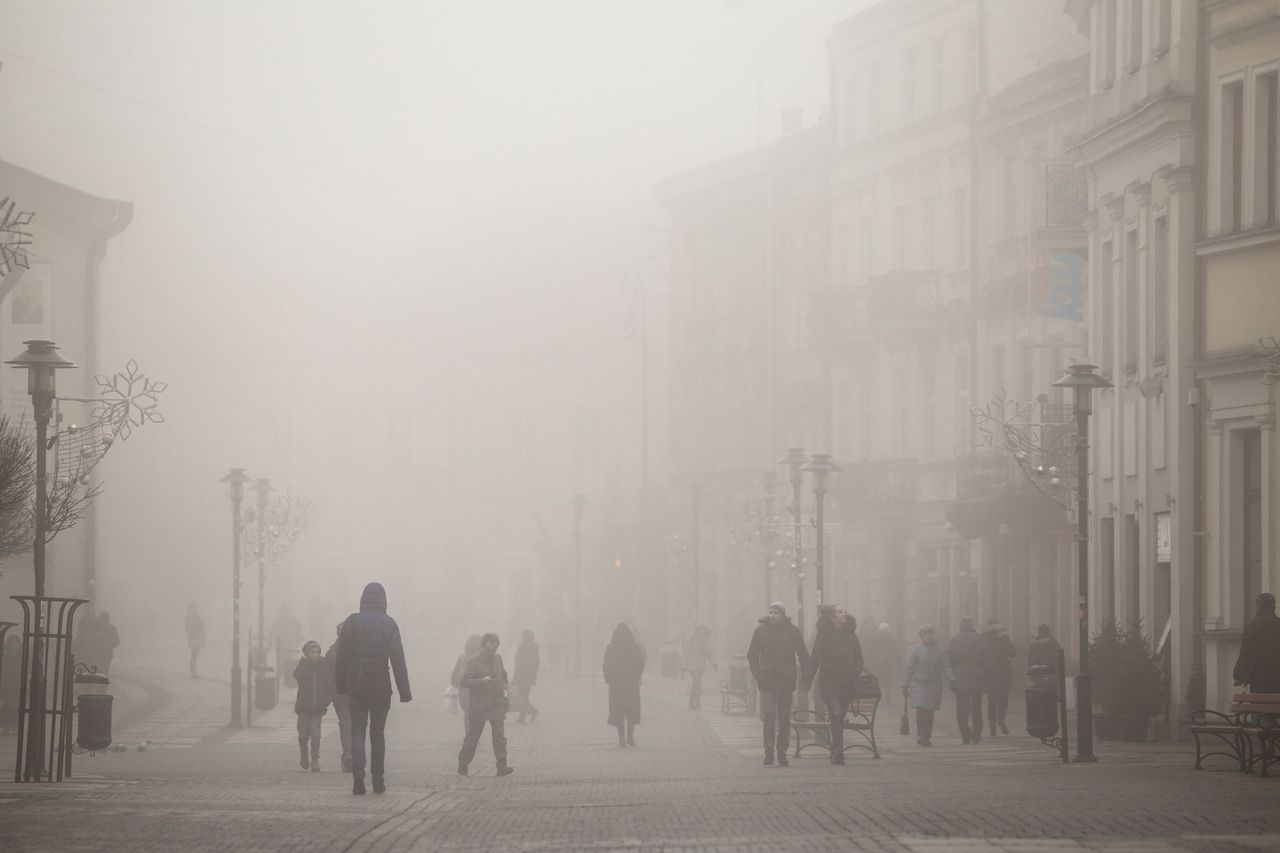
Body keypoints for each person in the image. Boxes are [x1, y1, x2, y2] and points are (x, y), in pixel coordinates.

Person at [335, 582, 412, 796]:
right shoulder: (389, 624)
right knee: (377, 735)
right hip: (381, 685)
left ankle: (358, 777)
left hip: (357, 686)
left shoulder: (352, 622)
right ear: (383, 601)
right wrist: (404, 691)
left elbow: (341, 657)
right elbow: (398, 659)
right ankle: (378, 781)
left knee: (357, 731)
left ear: (363, 599)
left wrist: (341, 685)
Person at [747, 602, 810, 767]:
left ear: (783, 615)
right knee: (768, 716)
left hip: (785, 680)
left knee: (784, 718)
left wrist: (806, 676)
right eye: (771, 612)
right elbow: (752, 654)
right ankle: (768, 752)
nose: (773, 615)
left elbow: (803, 654)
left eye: (776, 612)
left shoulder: (793, 632)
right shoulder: (760, 631)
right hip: (767, 679)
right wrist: (758, 673)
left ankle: (782, 753)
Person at [802, 604, 862, 765]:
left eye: (844, 611)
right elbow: (815, 658)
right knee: (835, 713)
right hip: (829, 680)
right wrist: (807, 680)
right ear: (832, 617)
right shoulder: (823, 635)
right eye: (840, 612)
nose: (844, 613)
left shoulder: (851, 635)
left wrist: (854, 672)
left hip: (846, 681)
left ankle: (836, 748)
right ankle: (838, 750)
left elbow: (858, 658)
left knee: (840, 715)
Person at [457, 632, 514, 776]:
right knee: (473, 737)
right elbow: (464, 681)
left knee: (500, 737)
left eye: (495, 646)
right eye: (489, 647)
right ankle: (463, 763)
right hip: (479, 706)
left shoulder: (498, 659)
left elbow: (504, 675)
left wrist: (506, 688)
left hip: (496, 704)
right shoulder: (473, 661)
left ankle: (502, 766)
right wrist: (480, 681)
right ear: (483, 646)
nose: (492, 650)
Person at [945, 616, 990, 744]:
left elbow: (948, 659)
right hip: (977, 677)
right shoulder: (980, 639)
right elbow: (987, 658)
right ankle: (976, 735)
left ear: (960, 626)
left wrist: (951, 677)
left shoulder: (954, 640)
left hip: (960, 678)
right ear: (972, 626)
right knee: (977, 708)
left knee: (962, 709)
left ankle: (965, 733)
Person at [903, 625, 948, 747]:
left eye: (931, 634)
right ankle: (922, 736)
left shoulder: (940, 650)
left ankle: (927, 735)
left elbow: (946, 666)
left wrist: (952, 680)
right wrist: (905, 684)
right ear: (922, 636)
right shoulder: (916, 650)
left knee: (930, 711)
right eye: (926, 634)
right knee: (921, 710)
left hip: (934, 684)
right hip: (919, 684)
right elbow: (910, 667)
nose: (929, 636)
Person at [603, 623, 645, 747]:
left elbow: (606, 665)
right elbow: (640, 663)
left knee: (618, 710)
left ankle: (621, 738)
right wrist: (636, 675)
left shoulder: (611, 648)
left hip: (616, 683)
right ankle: (630, 736)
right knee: (631, 709)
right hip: (631, 682)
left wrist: (608, 678)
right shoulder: (633, 647)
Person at [293, 640, 333, 772]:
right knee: (303, 734)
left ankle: (315, 759)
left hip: (318, 708)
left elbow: (329, 685)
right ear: (306, 653)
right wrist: (304, 663)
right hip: (304, 707)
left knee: (316, 735)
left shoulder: (324, 666)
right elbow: (297, 675)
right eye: (312, 652)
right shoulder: (303, 665)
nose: (315, 654)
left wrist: (326, 700)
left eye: (317, 652)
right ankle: (303, 753)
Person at [1234, 592, 1280, 692]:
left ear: (1259, 606)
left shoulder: (1253, 626)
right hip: (1278, 677)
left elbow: (1246, 652)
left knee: (1259, 705)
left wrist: (1239, 675)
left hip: (1260, 677)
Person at [325, 622, 352, 772]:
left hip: (357, 695)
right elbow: (327, 675)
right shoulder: (332, 653)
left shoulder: (359, 650)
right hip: (341, 696)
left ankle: (353, 754)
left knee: (355, 726)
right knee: (347, 724)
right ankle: (348, 754)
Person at [983, 618, 1016, 736]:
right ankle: (1001, 720)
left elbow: (981, 655)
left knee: (992, 701)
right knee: (1003, 699)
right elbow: (1013, 652)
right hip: (1004, 672)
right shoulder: (1004, 637)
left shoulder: (984, 638)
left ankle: (992, 728)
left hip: (990, 673)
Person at [451, 635, 482, 733]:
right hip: (479, 689)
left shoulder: (462, 658)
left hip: (464, 689)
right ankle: (474, 735)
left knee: (468, 713)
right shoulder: (483, 659)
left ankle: (469, 734)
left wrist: (457, 686)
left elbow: (454, 676)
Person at [683, 624, 714, 711]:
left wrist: (713, 663)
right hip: (692, 664)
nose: (702, 633)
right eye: (700, 631)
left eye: (703, 631)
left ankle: (696, 701)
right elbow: (686, 653)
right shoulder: (692, 641)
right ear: (697, 632)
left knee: (697, 684)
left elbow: (708, 653)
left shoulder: (706, 642)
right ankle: (693, 702)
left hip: (701, 665)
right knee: (696, 683)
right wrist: (683, 664)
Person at [513, 629, 540, 724]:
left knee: (523, 697)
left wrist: (515, 676)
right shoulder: (535, 647)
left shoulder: (522, 646)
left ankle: (526, 715)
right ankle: (530, 713)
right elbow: (536, 663)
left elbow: (518, 662)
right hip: (529, 676)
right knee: (525, 696)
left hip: (522, 676)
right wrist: (533, 675)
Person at [1, 633, 21, 734]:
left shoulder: (20, 656)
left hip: (16, 683)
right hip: (7, 683)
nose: (14, 644)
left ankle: (13, 725)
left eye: (16, 642)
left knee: (13, 705)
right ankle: (7, 725)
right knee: (6, 705)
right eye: (12, 642)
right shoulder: (6, 655)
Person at [185, 603, 206, 679]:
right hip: (195, 637)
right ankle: (192, 672)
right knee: (194, 655)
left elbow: (187, 627)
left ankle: (193, 672)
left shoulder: (191, 616)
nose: (197, 609)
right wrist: (201, 624)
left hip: (195, 637)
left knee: (194, 655)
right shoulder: (193, 616)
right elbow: (192, 626)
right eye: (196, 608)